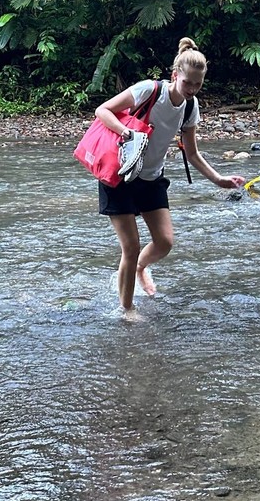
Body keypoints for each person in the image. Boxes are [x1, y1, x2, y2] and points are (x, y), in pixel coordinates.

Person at [93, 37, 245, 319]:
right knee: (131, 246)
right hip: (120, 175)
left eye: (198, 84)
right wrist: (127, 134)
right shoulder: (148, 90)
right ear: (175, 75)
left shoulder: (190, 106)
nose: (192, 89)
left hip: (151, 178)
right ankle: (127, 309)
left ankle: (139, 268)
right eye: (188, 82)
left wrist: (219, 179)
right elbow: (102, 110)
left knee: (164, 242)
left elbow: (193, 154)